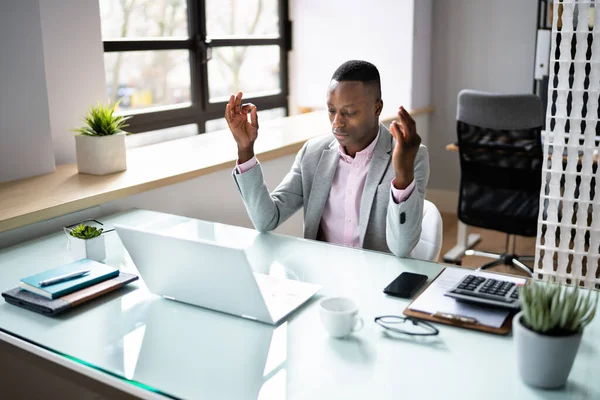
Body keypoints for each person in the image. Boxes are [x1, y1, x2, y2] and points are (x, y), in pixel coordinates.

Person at [226, 60, 429, 257]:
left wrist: (403, 175)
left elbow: (402, 248)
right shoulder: (313, 153)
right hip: (322, 277)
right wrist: (245, 149)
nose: (337, 123)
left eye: (349, 112)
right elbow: (266, 220)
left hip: (378, 282)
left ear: (377, 108)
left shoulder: (411, 156)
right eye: (332, 111)